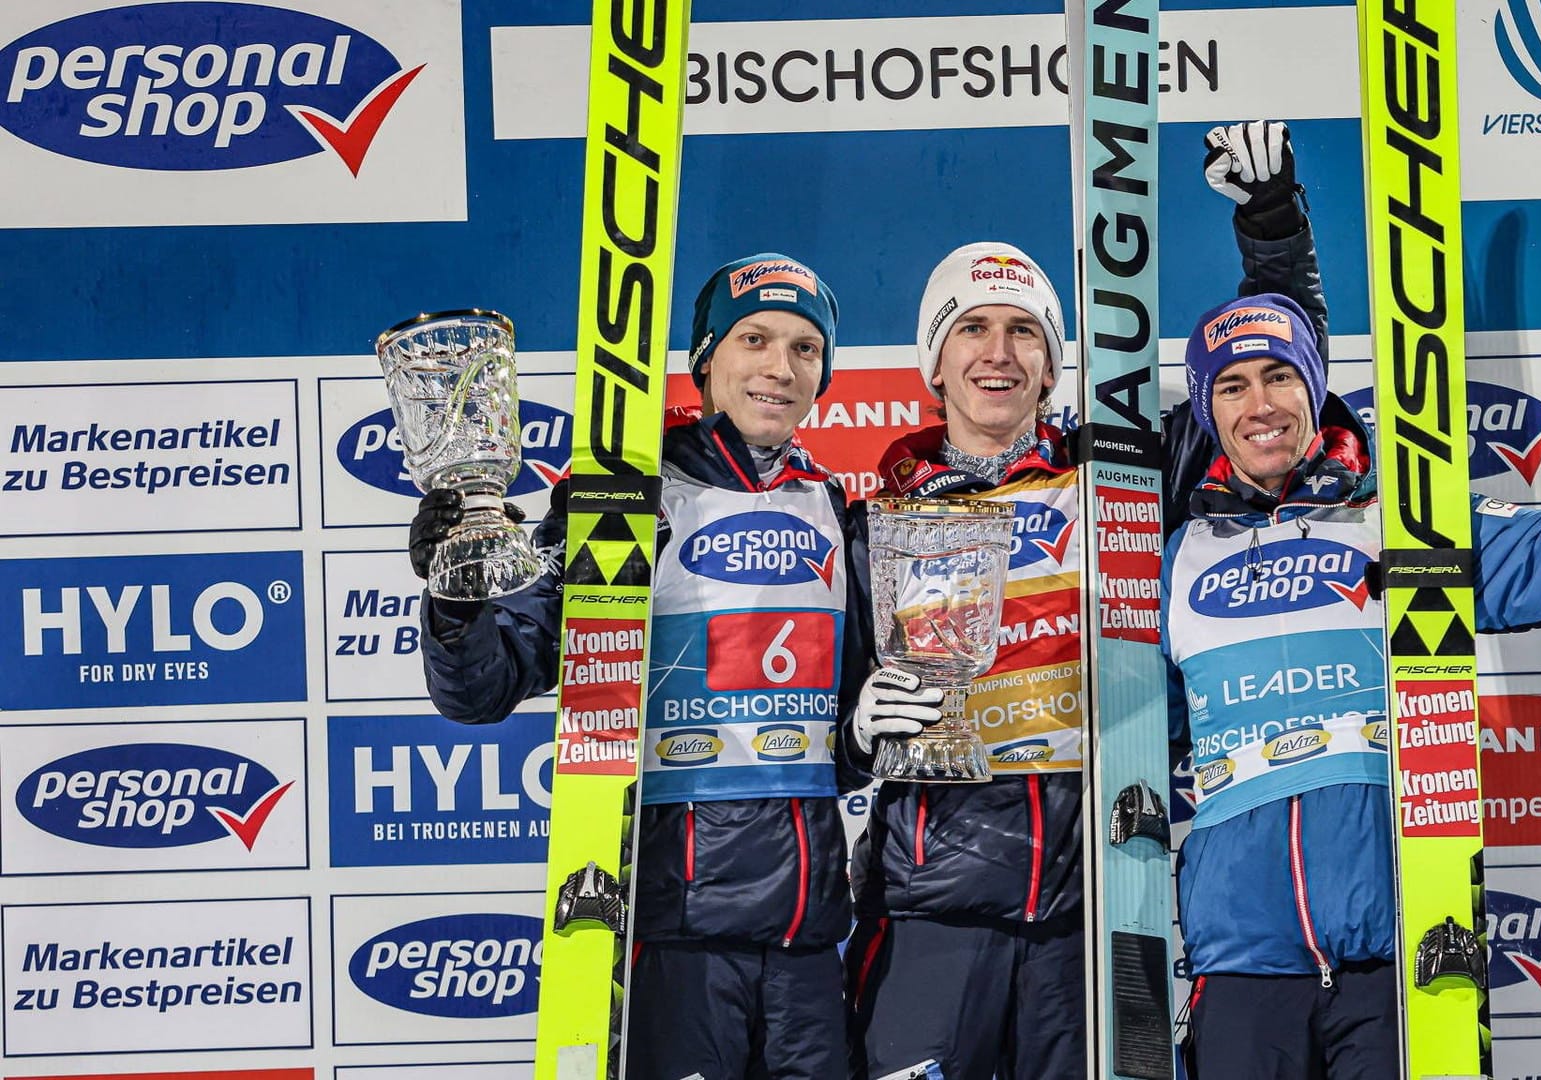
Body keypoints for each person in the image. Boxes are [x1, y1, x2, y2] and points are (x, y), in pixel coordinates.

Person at [1161, 121, 1541, 1078]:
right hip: (1238, 968)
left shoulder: (1403, 527)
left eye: (1283, 376)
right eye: (1235, 386)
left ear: (1316, 388)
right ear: (1208, 411)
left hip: (1404, 954)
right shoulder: (1172, 555)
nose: (1262, 406)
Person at [411, 253, 864, 1080]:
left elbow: (858, 726)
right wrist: (456, 595)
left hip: (808, 934)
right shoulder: (626, 495)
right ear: (705, 361)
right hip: (677, 931)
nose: (780, 366)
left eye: (805, 348)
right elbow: (486, 684)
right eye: (755, 339)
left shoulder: (835, 506)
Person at [839, 241, 1089, 1080]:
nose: (999, 352)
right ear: (934, 364)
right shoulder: (874, 523)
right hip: (927, 909)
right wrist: (859, 731)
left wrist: (1274, 239)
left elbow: (1270, 401)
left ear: (1051, 369)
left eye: (1025, 332)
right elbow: (830, 744)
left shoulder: (1116, 483)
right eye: (973, 328)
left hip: (1086, 914)